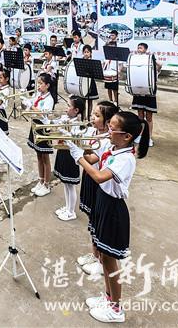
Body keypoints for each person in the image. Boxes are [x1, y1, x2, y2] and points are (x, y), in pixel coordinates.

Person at [67, 111, 150, 324]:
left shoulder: (126, 158)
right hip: (102, 201)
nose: (108, 131)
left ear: (127, 136)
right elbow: (92, 159)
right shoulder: (112, 147)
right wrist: (72, 140)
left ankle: (116, 308)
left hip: (114, 209)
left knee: (111, 261)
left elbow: (98, 175)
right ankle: (108, 297)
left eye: (113, 129)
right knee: (103, 257)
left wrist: (77, 157)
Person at [77, 101, 119, 277]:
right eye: (93, 114)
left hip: (97, 181)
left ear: (108, 122)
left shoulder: (107, 141)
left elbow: (92, 159)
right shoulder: (94, 133)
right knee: (92, 220)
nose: (92, 118)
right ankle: (95, 254)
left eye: (96, 116)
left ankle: (100, 259)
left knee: (97, 221)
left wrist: (77, 149)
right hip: (89, 178)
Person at [52, 96, 86, 221]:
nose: (66, 109)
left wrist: (63, 130)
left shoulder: (79, 123)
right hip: (63, 151)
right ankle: (67, 207)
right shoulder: (67, 118)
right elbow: (53, 124)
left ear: (76, 110)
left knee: (70, 185)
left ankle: (71, 211)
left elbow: (74, 138)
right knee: (65, 184)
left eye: (68, 106)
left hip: (71, 155)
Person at [23, 73, 54, 197]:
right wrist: (26, 101)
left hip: (43, 128)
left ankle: (47, 184)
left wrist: (32, 106)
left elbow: (43, 113)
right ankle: (41, 180)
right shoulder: (38, 95)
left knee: (45, 157)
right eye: (38, 83)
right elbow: (31, 103)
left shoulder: (49, 99)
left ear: (47, 85)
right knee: (38, 155)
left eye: (41, 84)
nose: (38, 86)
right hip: (35, 125)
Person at [131, 42, 160, 147]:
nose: (139, 49)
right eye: (138, 47)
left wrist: (152, 60)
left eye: (141, 48)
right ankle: (141, 134)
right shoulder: (135, 61)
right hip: (139, 92)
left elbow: (160, 66)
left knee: (149, 117)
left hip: (149, 93)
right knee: (140, 116)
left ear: (146, 50)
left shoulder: (150, 60)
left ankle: (149, 137)